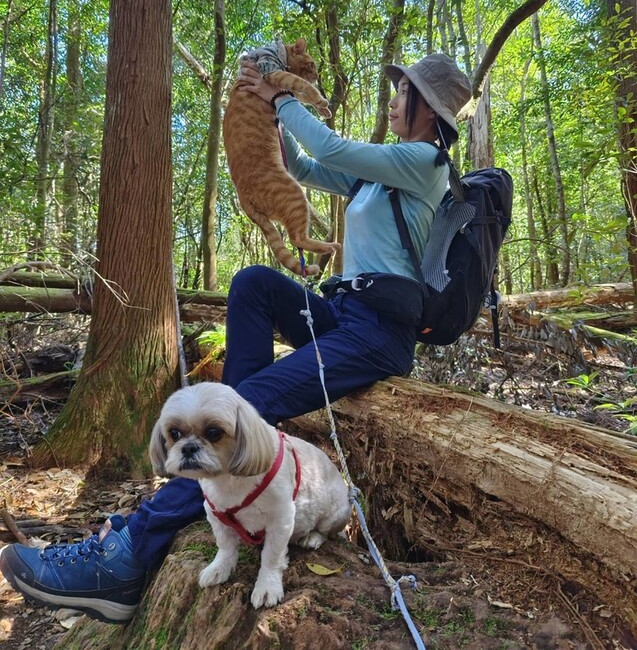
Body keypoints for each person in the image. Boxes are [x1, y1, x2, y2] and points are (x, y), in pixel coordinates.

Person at [0, 53, 472, 623]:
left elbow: (329, 148)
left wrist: (281, 95)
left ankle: (126, 558)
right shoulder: (381, 173)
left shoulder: (424, 162)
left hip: (379, 332)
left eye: (404, 93)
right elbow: (303, 166)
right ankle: (233, 432)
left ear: (430, 111)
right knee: (253, 283)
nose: (394, 100)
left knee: (253, 402)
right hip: (342, 311)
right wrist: (260, 113)